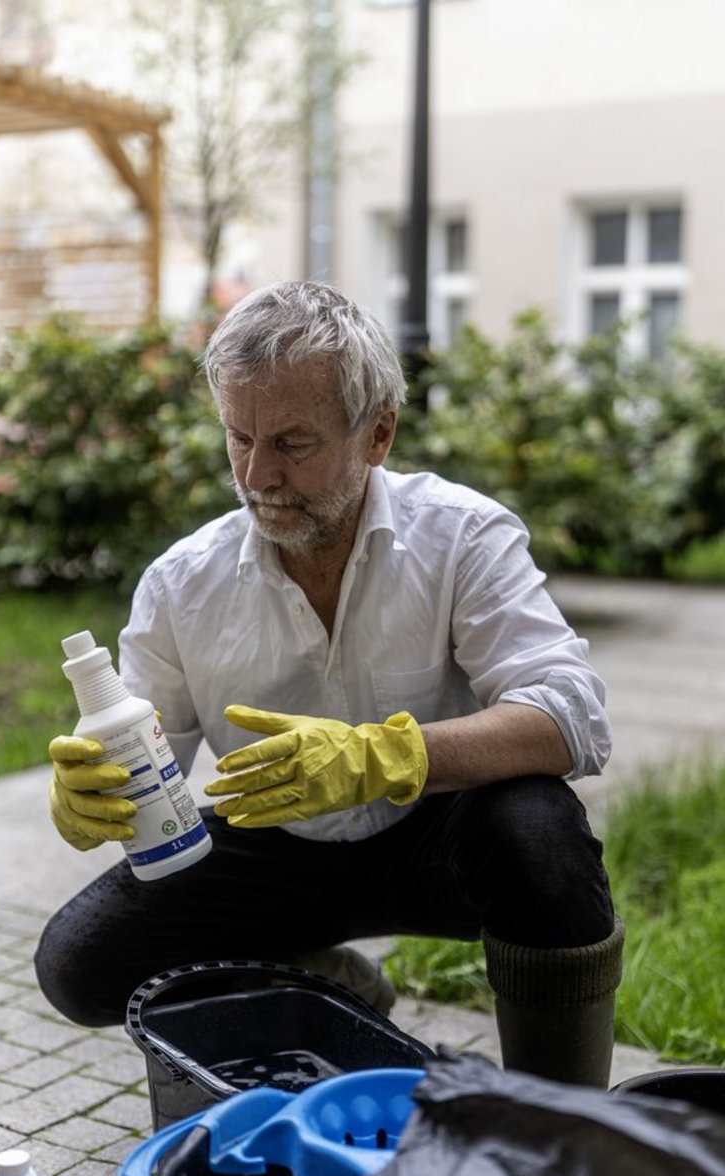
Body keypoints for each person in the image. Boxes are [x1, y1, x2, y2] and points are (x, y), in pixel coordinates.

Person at [37, 281, 623, 1086]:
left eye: (292, 442)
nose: (258, 474)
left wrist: (387, 755)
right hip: (277, 840)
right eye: (239, 437)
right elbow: (146, 764)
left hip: (440, 836)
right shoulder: (181, 583)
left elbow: (572, 715)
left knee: (538, 830)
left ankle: (559, 1113)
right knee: (78, 962)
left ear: (378, 433)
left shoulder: (461, 535)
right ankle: (322, 983)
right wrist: (92, 796)